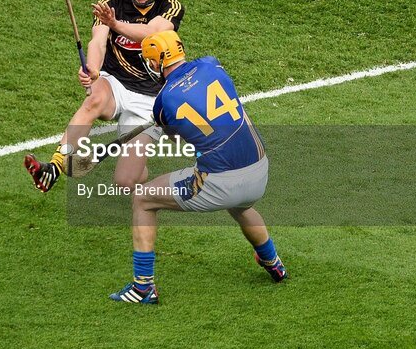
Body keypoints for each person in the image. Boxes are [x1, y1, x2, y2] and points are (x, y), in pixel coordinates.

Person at [109, 30, 287, 305]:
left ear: (156, 62)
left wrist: (154, 128)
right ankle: (272, 261)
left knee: (143, 199)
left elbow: (178, 137)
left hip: (220, 183)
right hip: (260, 171)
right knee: (241, 206)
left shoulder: (164, 101)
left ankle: (143, 287)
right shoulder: (211, 64)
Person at [25, 0, 185, 193]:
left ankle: (142, 171)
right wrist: (93, 70)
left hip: (151, 99)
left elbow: (152, 32)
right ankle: (55, 166)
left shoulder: (170, 6)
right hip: (116, 83)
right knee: (94, 99)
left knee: (125, 181)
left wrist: (115, 24)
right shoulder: (111, 3)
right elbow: (97, 42)